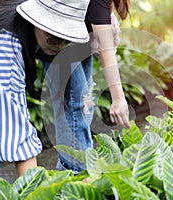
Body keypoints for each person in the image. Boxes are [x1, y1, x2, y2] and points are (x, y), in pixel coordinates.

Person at [0, 0, 90, 192]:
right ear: (36, 20)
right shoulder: (3, 47)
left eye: (67, 38)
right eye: (54, 36)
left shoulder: (18, 23)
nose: (60, 45)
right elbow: (14, 129)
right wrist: (39, 193)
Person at [39, 0, 131, 174]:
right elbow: (106, 46)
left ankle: (67, 173)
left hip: (78, 35)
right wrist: (118, 98)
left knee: (84, 105)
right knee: (75, 107)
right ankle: (77, 175)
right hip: (54, 35)